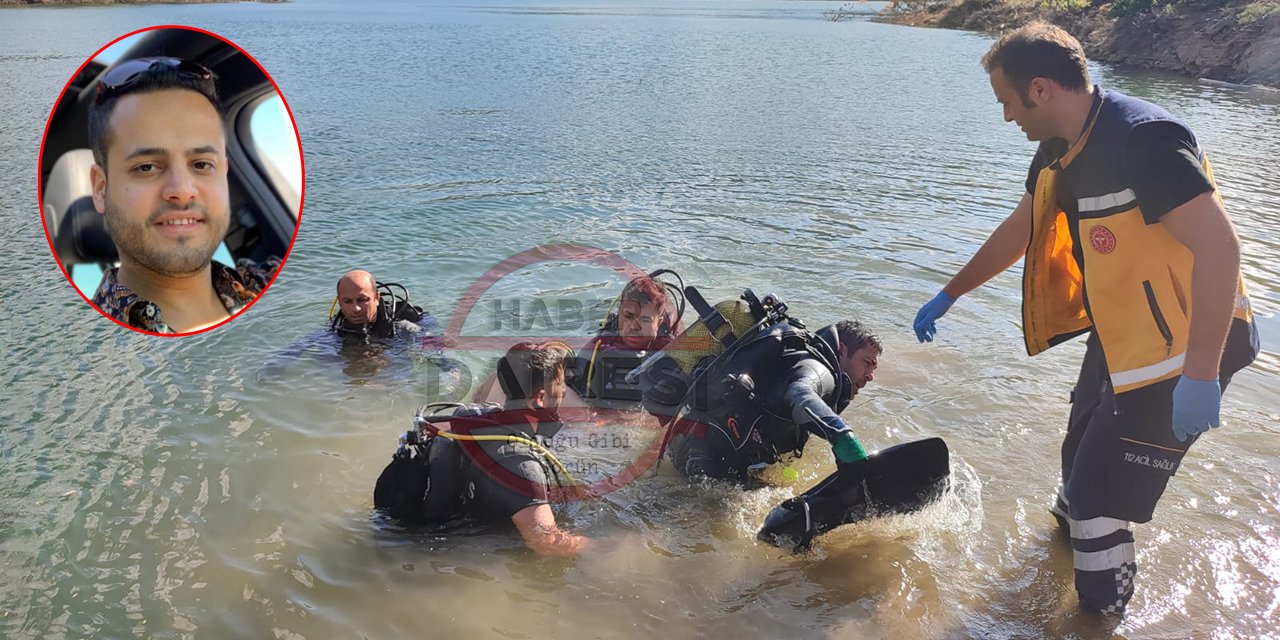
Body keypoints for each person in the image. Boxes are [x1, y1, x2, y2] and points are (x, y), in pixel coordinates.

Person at [911, 22, 1260, 614]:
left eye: (1007, 102)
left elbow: (1220, 249)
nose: (1006, 118)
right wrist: (951, 293)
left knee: (1098, 494)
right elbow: (1022, 228)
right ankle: (1068, 555)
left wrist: (1200, 374)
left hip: (1186, 347)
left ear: (1041, 89)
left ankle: (1100, 616)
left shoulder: (1144, 140)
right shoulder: (1057, 150)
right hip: (1124, 334)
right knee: (1076, 467)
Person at [87, 57, 279, 333]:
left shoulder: (269, 282)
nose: (182, 191)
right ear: (101, 189)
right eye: (147, 167)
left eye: (202, 164)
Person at [375, 341, 598, 557]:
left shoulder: (477, 418)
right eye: (560, 384)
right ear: (540, 398)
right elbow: (547, 543)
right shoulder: (521, 464)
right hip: (441, 549)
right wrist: (608, 546)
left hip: (410, 531)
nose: (564, 392)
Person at [638, 289, 881, 482]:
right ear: (841, 350)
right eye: (867, 363)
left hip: (693, 442)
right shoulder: (819, 370)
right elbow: (800, 393)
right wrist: (842, 437)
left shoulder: (796, 355)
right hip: (706, 459)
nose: (870, 376)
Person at [574, 273, 677, 403]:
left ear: (658, 323)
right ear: (619, 314)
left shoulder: (669, 348)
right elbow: (572, 387)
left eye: (645, 320)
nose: (634, 326)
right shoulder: (601, 345)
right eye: (628, 316)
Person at [331, 270, 438, 341]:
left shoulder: (405, 328)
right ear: (340, 302)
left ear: (376, 298)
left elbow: (435, 349)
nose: (356, 308)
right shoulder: (335, 329)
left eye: (362, 300)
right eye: (347, 301)